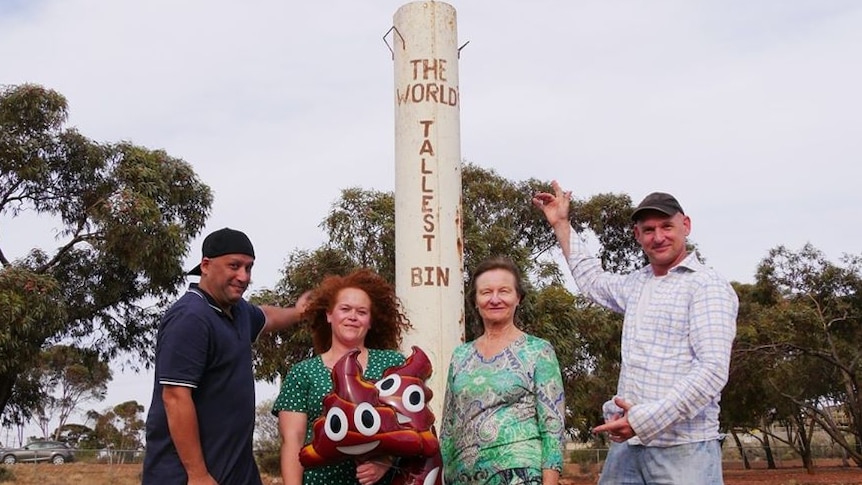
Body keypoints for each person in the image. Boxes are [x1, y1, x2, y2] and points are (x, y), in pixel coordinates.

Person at [532, 182, 738, 484]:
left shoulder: (707, 286)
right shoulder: (637, 284)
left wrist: (643, 420)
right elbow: (592, 281)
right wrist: (562, 224)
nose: (658, 237)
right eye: (648, 229)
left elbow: (712, 370)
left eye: (666, 226)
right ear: (637, 235)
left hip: (684, 450)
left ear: (686, 225)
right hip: (628, 448)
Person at [142, 227, 309, 485]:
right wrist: (197, 475)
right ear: (206, 265)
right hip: (188, 478)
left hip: (238, 474)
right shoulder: (191, 317)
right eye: (234, 266)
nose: (243, 276)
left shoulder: (238, 311)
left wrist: (298, 313)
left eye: (249, 267)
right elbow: (175, 397)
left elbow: (267, 316)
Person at [272, 268, 412, 485]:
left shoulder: (392, 364)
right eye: (345, 309)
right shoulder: (303, 373)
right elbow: (293, 441)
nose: (353, 317)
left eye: (362, 312)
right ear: (329, 315)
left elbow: (412, 425)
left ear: (371, 321)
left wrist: (385, 461)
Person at [440, 256, 566, 485]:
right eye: (486, 292)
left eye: (504, 291)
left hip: (521, 477)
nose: (495, 299)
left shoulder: (539, 351)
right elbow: (448, 427)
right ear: (475, 301)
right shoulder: (460, 355)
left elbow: (553, 427)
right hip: (461, 478)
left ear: (518, 298)